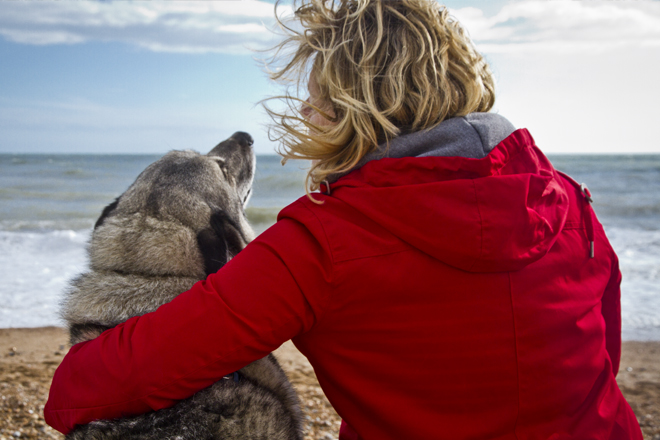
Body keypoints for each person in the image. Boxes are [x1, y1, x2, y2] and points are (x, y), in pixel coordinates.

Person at [45, 1, 643, 439]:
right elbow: (601, 362)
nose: (305, 107)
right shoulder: (565, 198)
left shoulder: (321, 243)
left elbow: (108, 380)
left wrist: (76, 370)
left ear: (364, 106)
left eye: (320, 93)